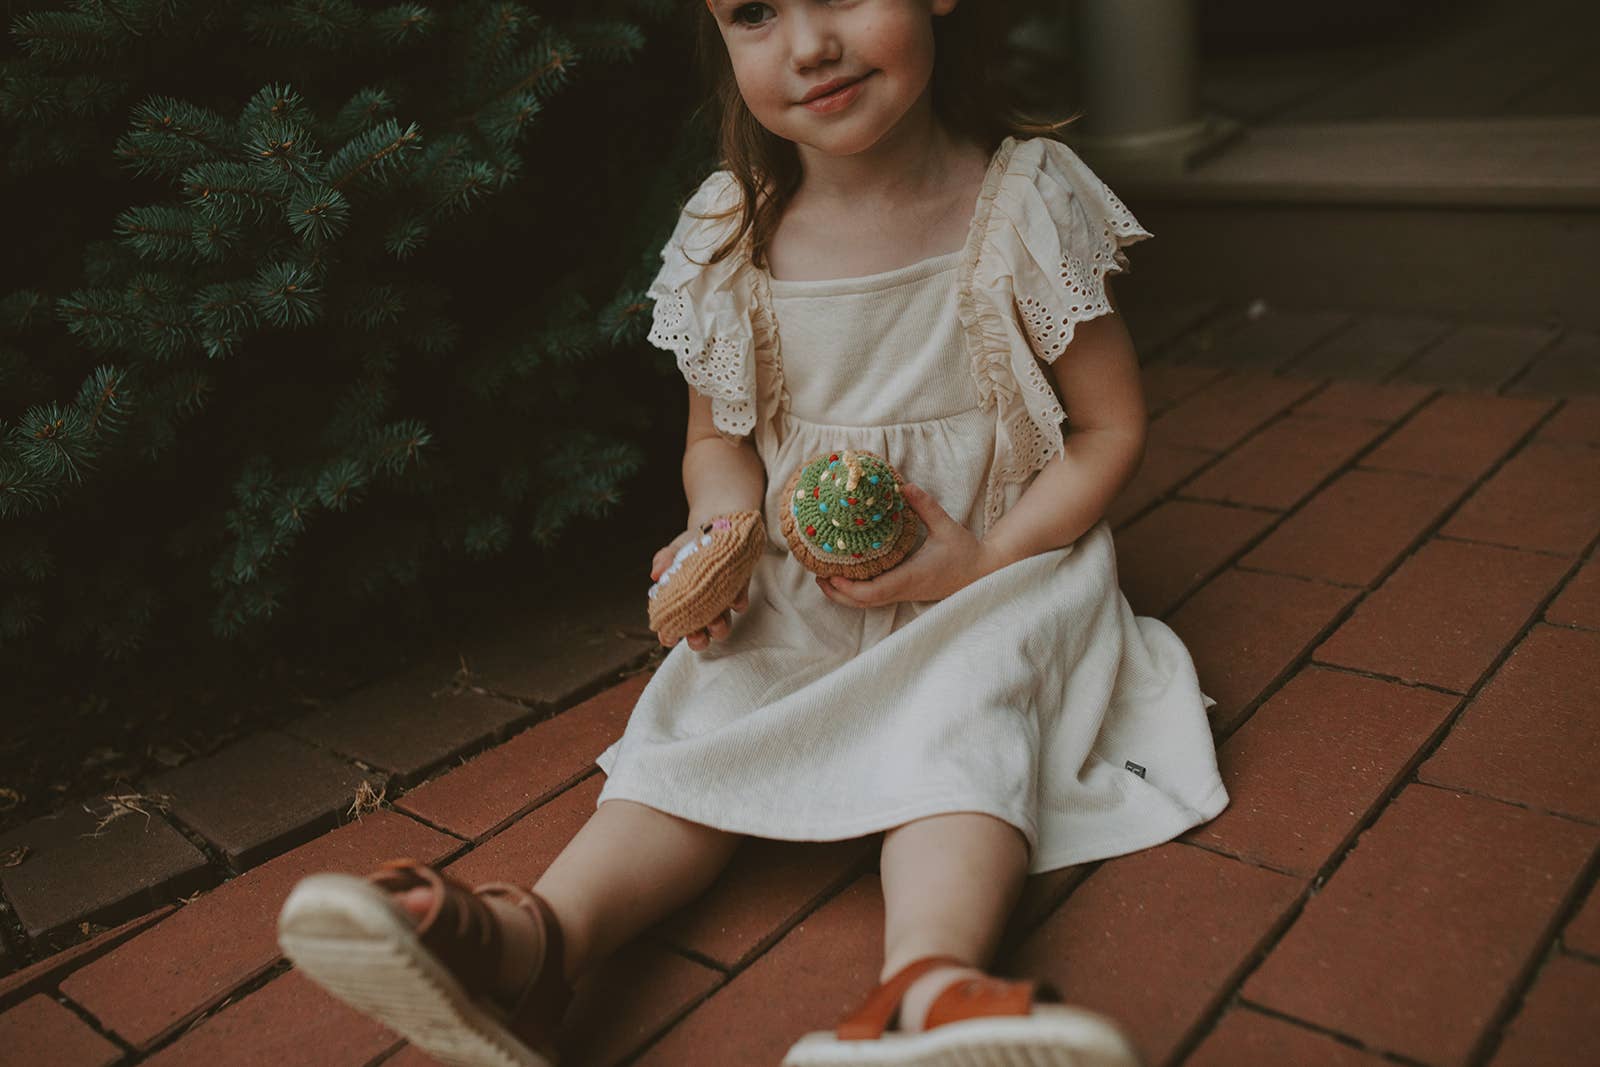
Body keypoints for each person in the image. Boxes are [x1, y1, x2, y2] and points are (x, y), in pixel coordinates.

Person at [276, 2, 1228, 1065]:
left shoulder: (1021, 204)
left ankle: (925, 981)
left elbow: (1109, 427)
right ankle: (536, 943)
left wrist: (985, 559)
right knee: (703, 705)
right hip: (806, 572)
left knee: (970, 704)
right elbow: (716, 441)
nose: (808, 44)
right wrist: (719, 528)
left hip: (990, 564)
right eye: (754, 12)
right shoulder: (732, 231)